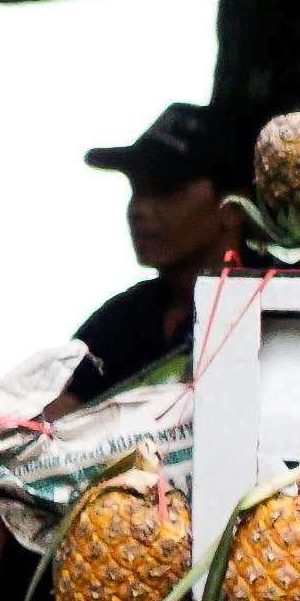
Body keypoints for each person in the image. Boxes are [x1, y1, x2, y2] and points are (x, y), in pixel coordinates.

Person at [58, 100, 249, 409]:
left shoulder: (280, 308)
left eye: (164, 189)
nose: (138, 210)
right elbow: (51, 421)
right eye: (136, 189)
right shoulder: (122, 320)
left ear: (234, 207)